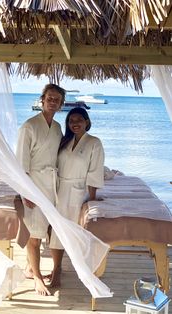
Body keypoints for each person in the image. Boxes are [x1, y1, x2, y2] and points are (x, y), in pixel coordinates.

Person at [16, 83, 66, 296]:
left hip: (51, 185)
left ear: (61, 104)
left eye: (57, 99)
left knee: (50, 230)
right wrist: (25, 191)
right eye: (50, 98)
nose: (53, 102)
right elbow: (20, 163)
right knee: (34, 235)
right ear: (42, 100)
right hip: (34, 184)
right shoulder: (28, 127)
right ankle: (37, 277)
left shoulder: (57, 128)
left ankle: (38, 268)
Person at [49, 107, 105, 287]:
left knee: (77, 232)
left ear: (87, 122)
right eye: (71, 120)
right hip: (58, 189)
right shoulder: (64, 141)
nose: (75, 123)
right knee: (56, 230)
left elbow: (95, 172)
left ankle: (84, 267)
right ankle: (57, 268)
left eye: (79, 120)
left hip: (79, 192)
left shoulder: (94, 143)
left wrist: (92, 198)